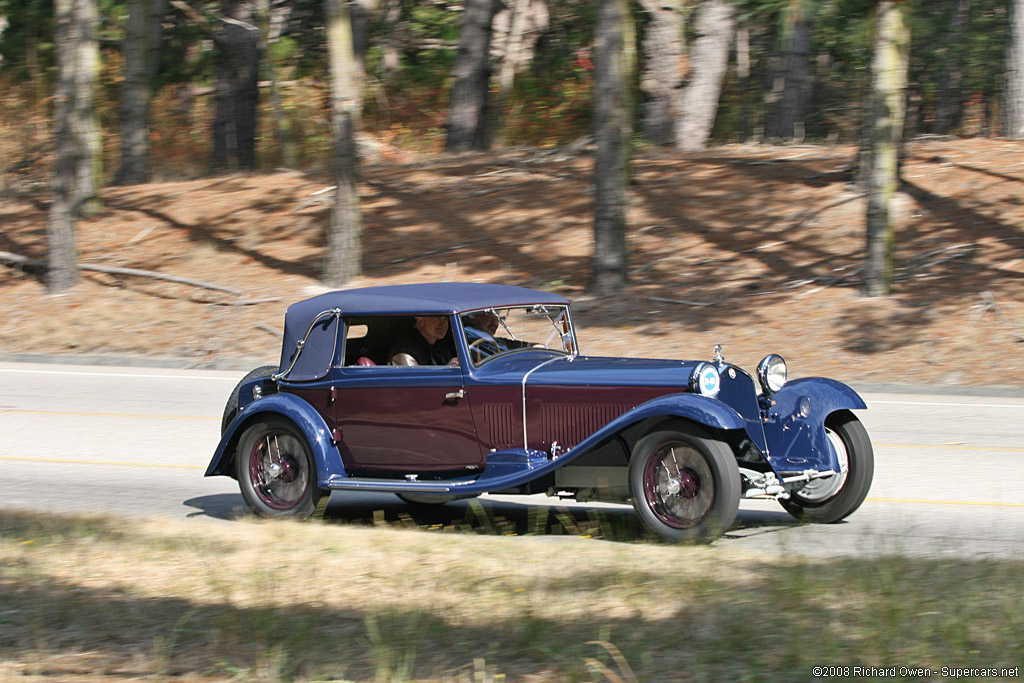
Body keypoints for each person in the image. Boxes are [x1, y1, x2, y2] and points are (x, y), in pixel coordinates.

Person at [389, 316, 458, 366]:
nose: (443, 324)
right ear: (421, 320)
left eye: (445, 319)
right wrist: (446, 372)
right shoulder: (405, 351)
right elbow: (415, 383)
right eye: (437, 317)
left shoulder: (441, 346)